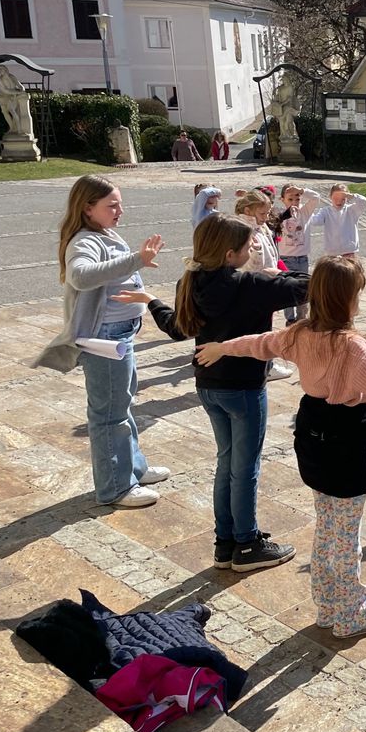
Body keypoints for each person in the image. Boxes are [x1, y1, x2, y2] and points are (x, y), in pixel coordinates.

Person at [194, 258, 366, 637]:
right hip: (346, 443)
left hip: (314, 438)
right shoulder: (352, 345)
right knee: (345, 532)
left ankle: (329, 603)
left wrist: (222, 347)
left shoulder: (300, 333)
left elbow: (259, 344)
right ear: (350, 299)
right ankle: (351, 613)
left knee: (328, 525)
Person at [136, 214, 308, 572]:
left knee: (227, 463)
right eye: (248, 247)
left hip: (209, 387)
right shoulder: (251, 284)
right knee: (245, 469)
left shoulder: (193, 280)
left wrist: (151, 300)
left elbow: (176, 327)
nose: (253, 250)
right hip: (244, 389)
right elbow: (309, 284)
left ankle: (225, 543)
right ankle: (246, 545)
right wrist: (278, 274)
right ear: (230, 254)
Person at [35, 175, 170, 509]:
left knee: (121, 406)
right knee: (109, 414)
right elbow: (81, 275)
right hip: (105, 341)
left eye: (120, 203)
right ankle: (115, 487)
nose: (120, 210)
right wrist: (136, 259)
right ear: (87, 208)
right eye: (112, 205)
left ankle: (133, 468)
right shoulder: (84, 241)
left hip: (121, 337)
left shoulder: (103, 232)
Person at [233, 191, 292, 382]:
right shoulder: (243, 230)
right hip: (253, 287)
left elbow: (273, 254)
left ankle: (262, 363)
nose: (266, 217)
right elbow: (248, 264)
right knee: (256, 328)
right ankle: (263, 365)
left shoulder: (261, 226)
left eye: (268, 213)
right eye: (262, 213)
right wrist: (258, 254)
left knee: (264, 324)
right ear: (248, 210)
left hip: (267, 283)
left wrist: (281, 270)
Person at [276, 183, 322, 324]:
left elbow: (316, 198)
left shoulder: (305, 212)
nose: (294, 203)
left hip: (302, 258)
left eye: (297, 199)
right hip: (285, 258)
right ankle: (290, 320)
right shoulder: (279, 214)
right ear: (282, 199)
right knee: (288, 290)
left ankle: (302, 319)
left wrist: (301, 190)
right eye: (290, 199)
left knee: (304, 289)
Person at [305, 183, 366, 258]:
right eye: (336, 198)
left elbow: (363, 201)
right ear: (330, 197)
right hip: (332, 252)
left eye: (343, 199)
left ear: (347, 198)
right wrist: (308, 209)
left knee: (349, 269)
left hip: (349, 251)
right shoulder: (325, 211)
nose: (339, 202)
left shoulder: (352, 210)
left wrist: (350, 195)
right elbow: (315, 221)